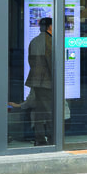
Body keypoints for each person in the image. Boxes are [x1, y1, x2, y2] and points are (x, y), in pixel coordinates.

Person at [25, 17, 53, 146]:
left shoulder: (34, 41)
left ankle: (39, 138)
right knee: (50, 110)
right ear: (50, 27)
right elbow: (51, 63)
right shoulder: (50, 41)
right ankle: (54, 138)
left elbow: (30, 61)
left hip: (35, 80)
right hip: (47, 81)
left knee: (39, 111)